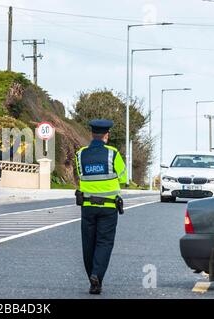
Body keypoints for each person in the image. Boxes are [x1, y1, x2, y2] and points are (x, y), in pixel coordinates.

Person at [75, 119, 127, 295]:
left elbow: (80, 175)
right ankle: (97, 275)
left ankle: (92, 277)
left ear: (92, 134)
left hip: (87, 206)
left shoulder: (80, 154)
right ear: (106, 135)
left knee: (88, 243)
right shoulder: (112, 153)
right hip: (108, 207)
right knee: (104, 242)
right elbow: (124, 177)